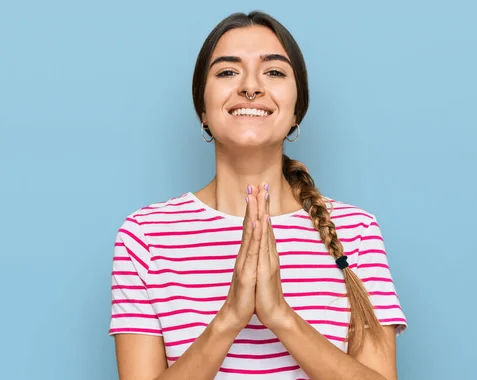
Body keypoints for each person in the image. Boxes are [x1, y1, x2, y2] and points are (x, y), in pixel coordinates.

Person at [108, 10, 407, 380]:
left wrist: (280, 315)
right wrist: (230, 317)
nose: (251, 86)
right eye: (228, 71)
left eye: (275, 72)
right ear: (202, 108)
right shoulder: (145, 236)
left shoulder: (356, 232)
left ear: (298, 109)